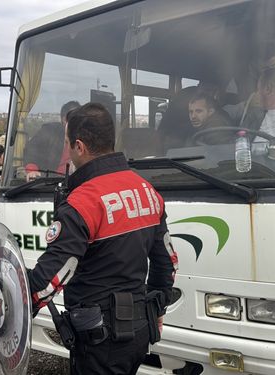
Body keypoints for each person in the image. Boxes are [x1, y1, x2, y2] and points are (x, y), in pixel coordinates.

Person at [27, 103, 177, 374]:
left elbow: (50, 279)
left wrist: (16, 308)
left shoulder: (83, 203)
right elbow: (167, 262)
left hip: (100, 339)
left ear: (80, 147)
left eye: (68, 144)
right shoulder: (147, 190)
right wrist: (159, 305)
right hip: (140, 328)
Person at [24, 100, 81, 180]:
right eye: (75, 119)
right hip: (49, 183)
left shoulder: (85, 138)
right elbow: (31, 149)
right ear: (64, 120)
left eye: (81, 119)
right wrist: (32, 170)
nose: (78, 123)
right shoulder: (49, 132)